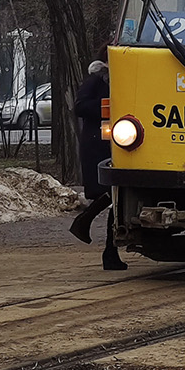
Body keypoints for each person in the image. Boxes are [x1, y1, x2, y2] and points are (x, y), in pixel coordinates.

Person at [70, 58, 127, 270]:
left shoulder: (120, 79)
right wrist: (108, 106)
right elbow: (80, 106)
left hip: (117, 143)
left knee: (115, 195)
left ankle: (90, 227)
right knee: (112, 193)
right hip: (98, 145)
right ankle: (106, 248)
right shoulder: (96, 79)